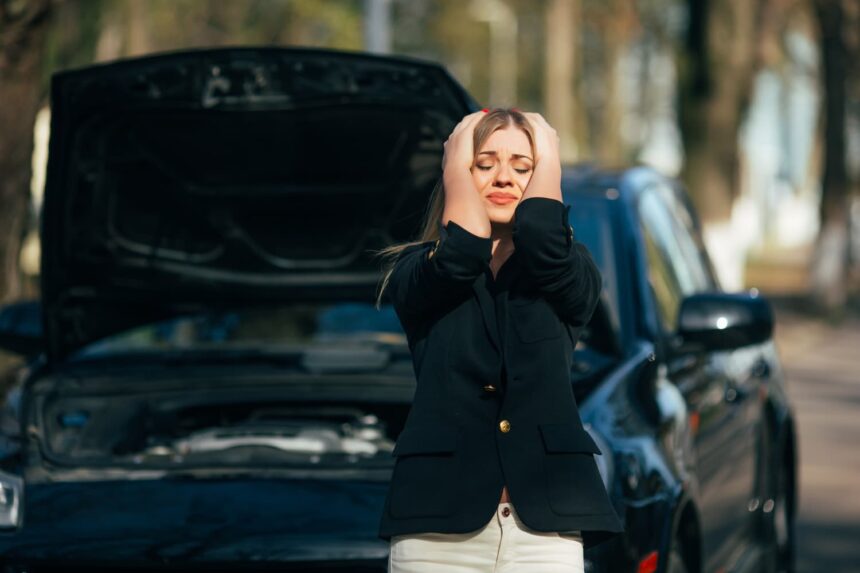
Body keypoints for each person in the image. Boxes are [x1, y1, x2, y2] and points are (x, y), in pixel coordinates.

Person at [374, 108, 623, 572]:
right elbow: (462, 252)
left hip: (544, 530)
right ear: (457, 177)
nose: (503, 177)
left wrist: (548, 150)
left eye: (523, 167)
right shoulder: (416, 270)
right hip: (436, 530)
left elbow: (544, 239)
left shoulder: (570, 269)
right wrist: (454, 158)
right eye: (484, 164)